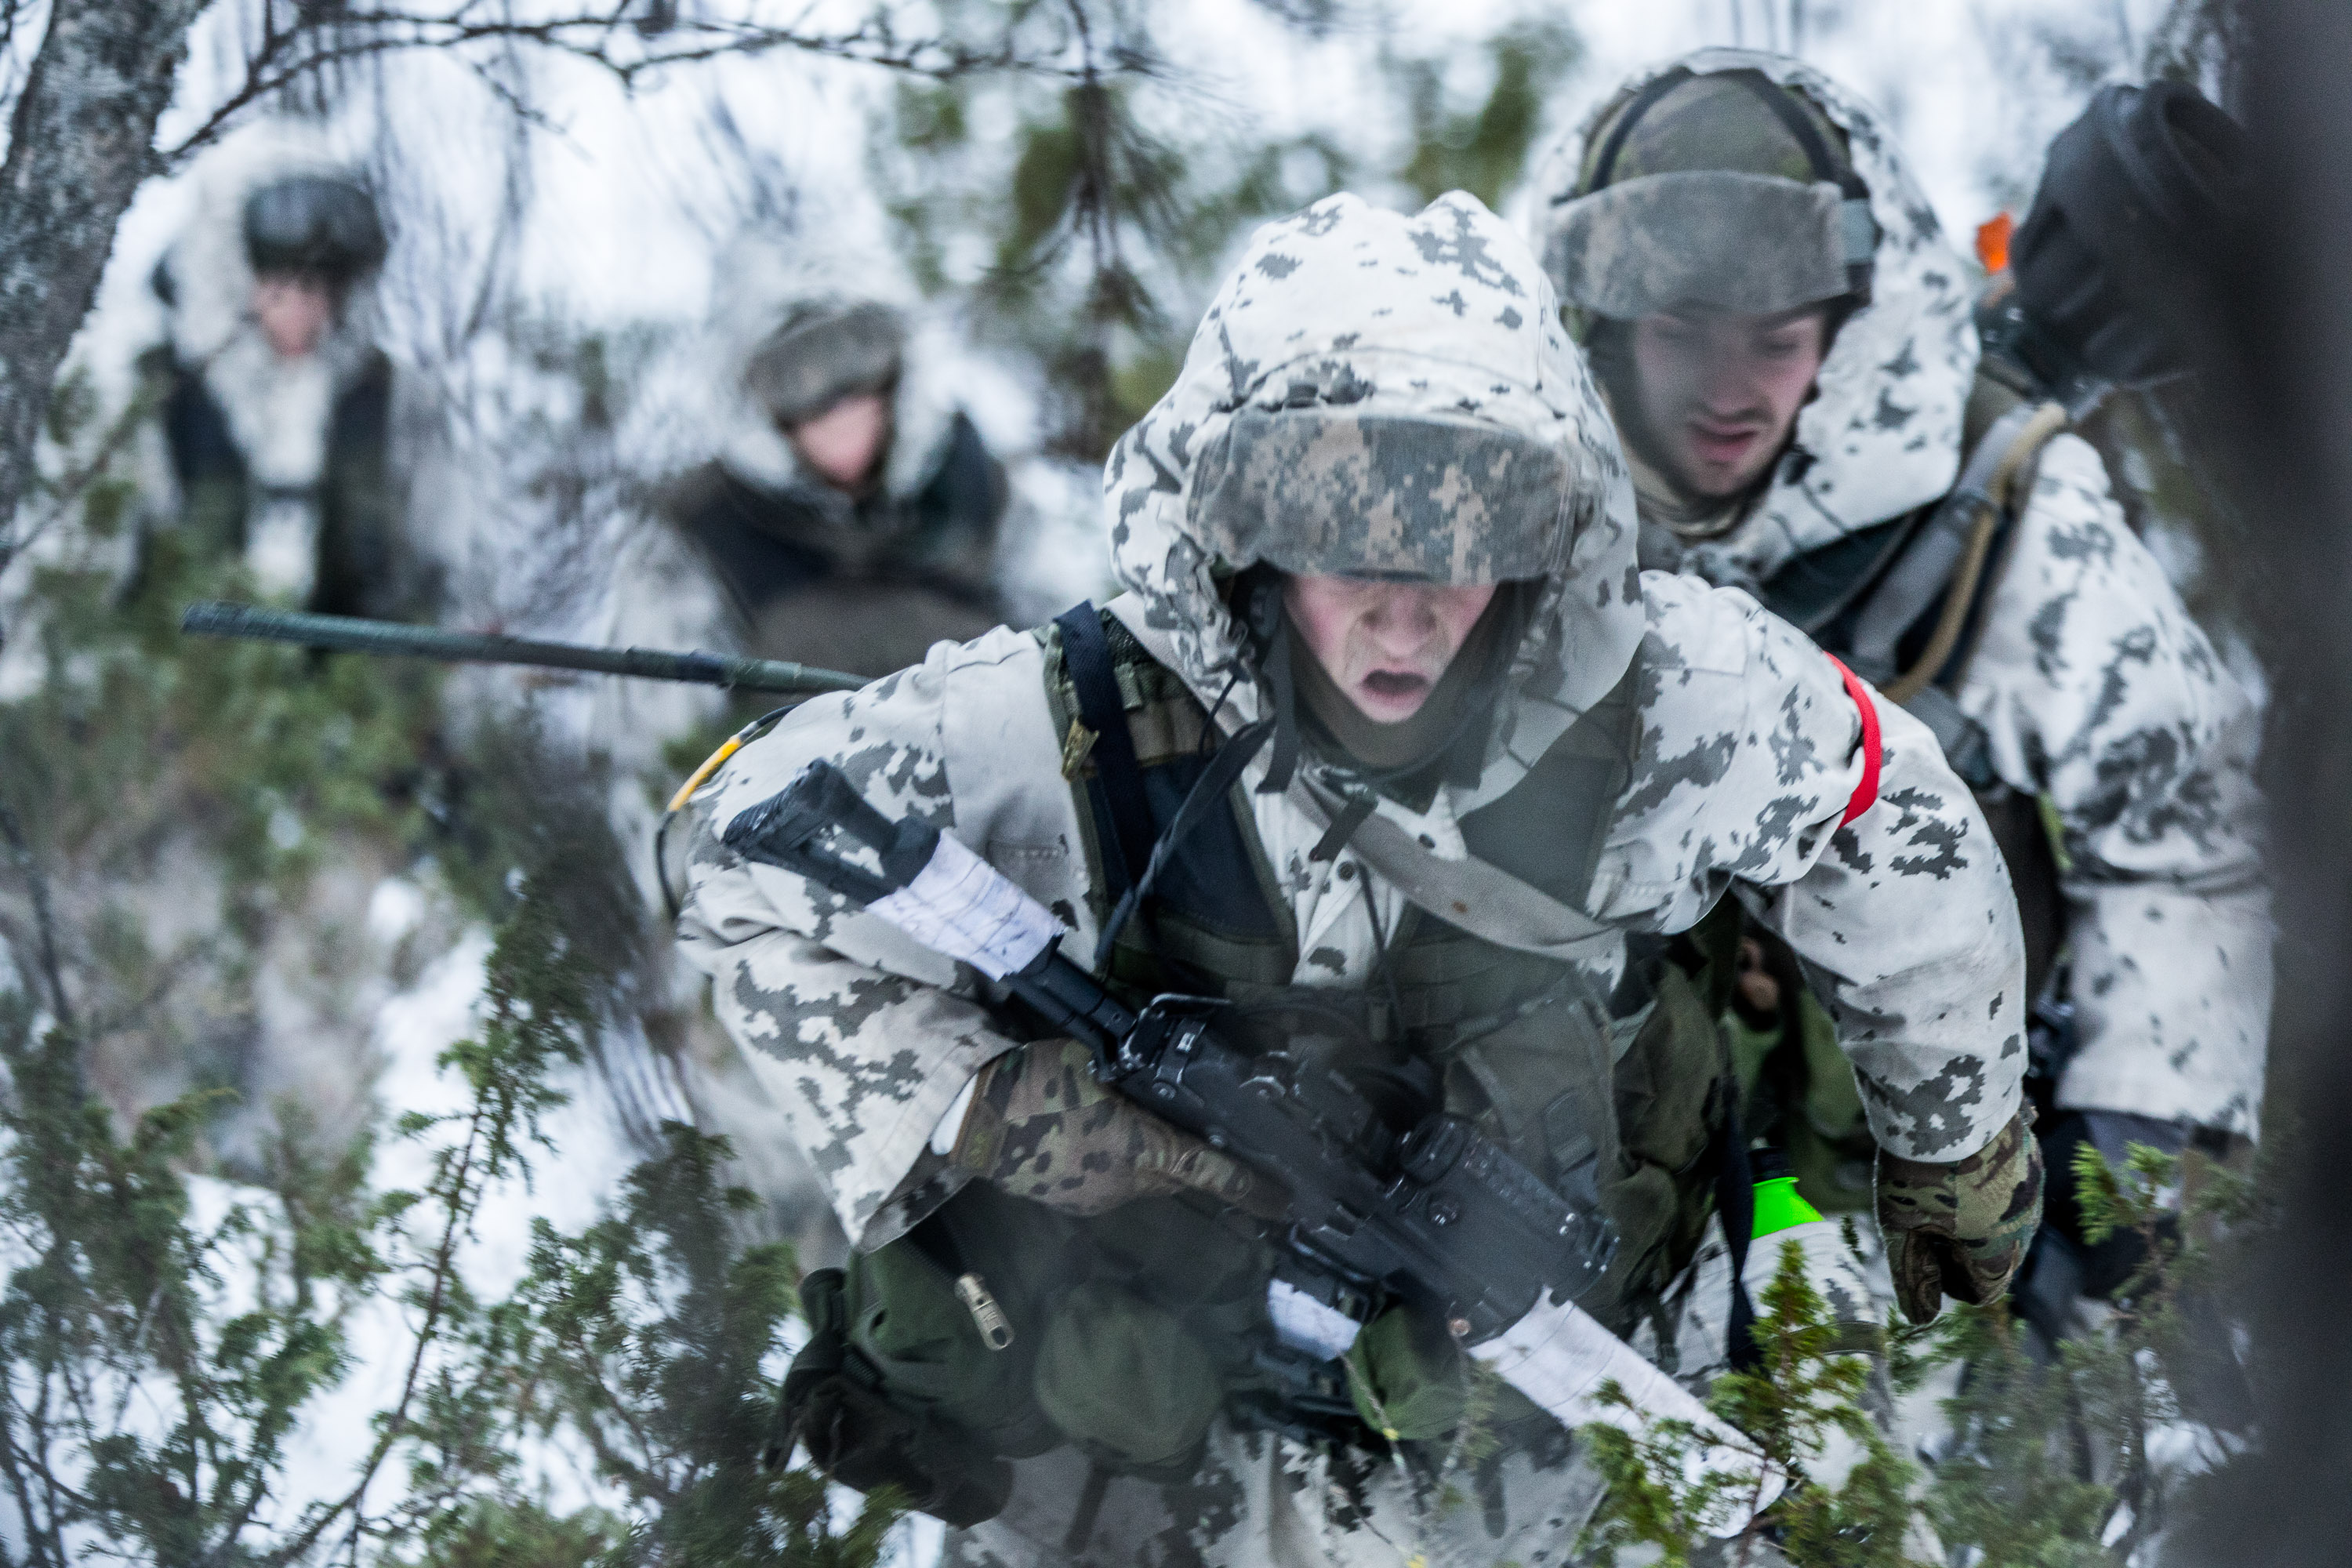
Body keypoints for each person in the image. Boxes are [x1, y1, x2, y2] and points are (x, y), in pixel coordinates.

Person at [673, 191, 2033, 1563]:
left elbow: (1884, 808)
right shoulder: (1070, 727)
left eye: (1469, 525)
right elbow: (731, 848)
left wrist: (1957, 1139)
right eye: (1342, 528)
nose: (1404, 610)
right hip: (1218, 1468)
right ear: (1242, 527)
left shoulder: (1660, 696)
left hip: (1629, 1380)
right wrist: (972, 1101)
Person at [1528, 49, 2271, 1329]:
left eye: (1775, 338)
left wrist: (2121, 1197)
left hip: (1933, 1162)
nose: (1727, 390)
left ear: (1843, 316)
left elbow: (2183, 840)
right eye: (1682, 333)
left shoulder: (2000, 511)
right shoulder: (1515, 496)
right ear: (1602, 320)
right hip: (1606, 1163)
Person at [660, 241, 1020, 677]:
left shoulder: (976, 481)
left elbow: (1066, 637)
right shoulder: (703, 529)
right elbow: (667, 734)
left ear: (897, 369)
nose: (834, 405)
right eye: (793, 379)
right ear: (757, 406)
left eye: (853, 357)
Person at [136, 124, 428, 620]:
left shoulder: (379, 399)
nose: (305, 309)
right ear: (236, 276)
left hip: (339, 687)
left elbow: (426, 573)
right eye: (284, 284)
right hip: (174, 680)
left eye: (323, 289)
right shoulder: (163, 394)